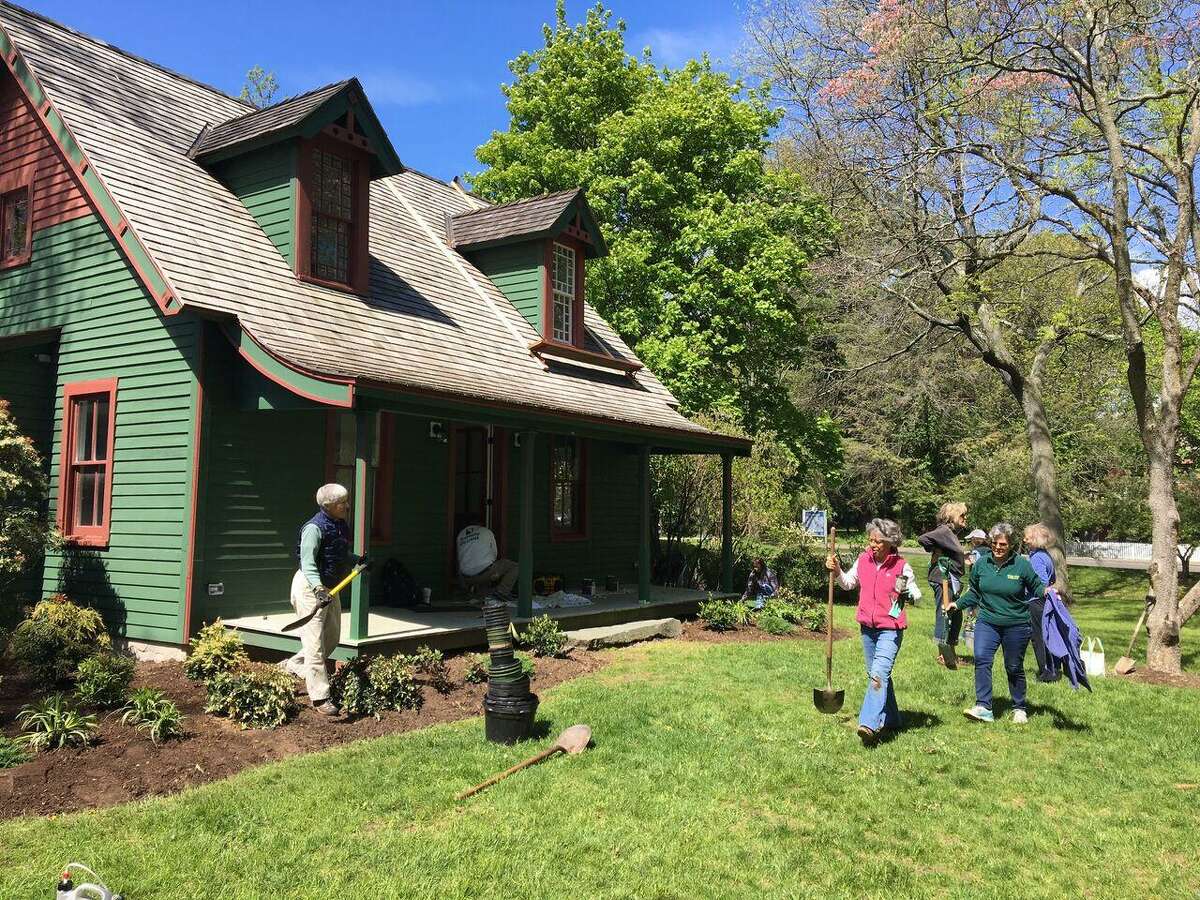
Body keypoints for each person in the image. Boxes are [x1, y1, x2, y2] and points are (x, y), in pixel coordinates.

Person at [826, 518, 922, 746]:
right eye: (871, 540)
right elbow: (848, 583)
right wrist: (838, 570)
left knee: (878, 674)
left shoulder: (901, 566)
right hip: (867, 629)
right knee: (877, 675)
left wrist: (908, 593)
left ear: (890, 542)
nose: (873, 545)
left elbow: (917, 594)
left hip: (890, 628)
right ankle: (894, 719)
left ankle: (868, 723)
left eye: (878, 541)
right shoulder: (863, 560)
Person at [949, 523, 1047, 724]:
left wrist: (1049, 594)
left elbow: (1037, 586)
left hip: (1017, 624)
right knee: (982, 659)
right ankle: (984, 706)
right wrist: (957, 604)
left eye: (1002, 544)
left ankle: (1019, 707)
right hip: (987, 621)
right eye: (994, 543)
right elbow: (975, 592)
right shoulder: (981, 564)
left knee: (1013, 666)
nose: (997, 547)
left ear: (1010, 544)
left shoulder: (1021, 565)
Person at [285, 483, 364, 716]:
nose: (348, 506)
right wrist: (318, 588)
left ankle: (292, 666)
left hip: (330, 587)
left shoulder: (339, 525)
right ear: (328, 506)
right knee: (315, 645)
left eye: (347, 501)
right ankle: (320, 698)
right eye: (343, 503)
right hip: (311, 588)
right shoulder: (313, 528)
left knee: (331, 638)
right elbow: (307, 562)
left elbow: (337, 553)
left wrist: (357, 560)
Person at [917, 502, 968, 665]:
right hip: (942, 578)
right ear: (952, 516)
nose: (965, 518)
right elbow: (923, 539)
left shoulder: (952, 533)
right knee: (944, 613)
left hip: (952, 579)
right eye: (962, 515)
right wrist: (937, 548)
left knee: (956, 613)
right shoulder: (944, 531)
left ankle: (951, 650)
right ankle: (942, 653)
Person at [1023, 523, 1060, 682]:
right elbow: (1053, 579)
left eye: (1028, 537)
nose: (1024, 540)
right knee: (1048, 636)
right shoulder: (1046, 555)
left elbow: (1042, 582)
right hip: (1045, 602)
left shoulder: (1037, 557)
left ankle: (1047, 673)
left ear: (1036, 539)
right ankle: (1054, 669)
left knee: (1039, 638)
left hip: (1036, 601)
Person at [457, 516, 519, 602]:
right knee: (515, 566)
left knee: (483, 582)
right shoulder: (486, 531)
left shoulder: (460, 535)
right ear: (480, 524)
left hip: (466, 578)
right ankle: (502, 592)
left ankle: (477, 595)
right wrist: (496, 572)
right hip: (485, 574)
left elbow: (460, 557)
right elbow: (494, 553)